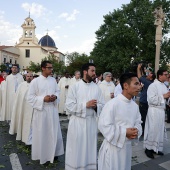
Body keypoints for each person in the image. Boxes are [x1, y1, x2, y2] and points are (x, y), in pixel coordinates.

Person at [98, 73, 142, 170]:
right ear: (125, 85)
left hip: (127, 148)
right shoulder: (112, 104)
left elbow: (138, 122)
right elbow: (103, 126)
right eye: (136, 84)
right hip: (113, 149)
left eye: (139, 84)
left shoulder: (134, 106)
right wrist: (125, 132)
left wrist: (136, 131)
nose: (139, 87)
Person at [65, 63, 105, 170]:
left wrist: (96, 107)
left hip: (91, 123)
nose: (94, 73)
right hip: (77, 124)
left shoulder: (97, 88)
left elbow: (103, 105)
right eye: (92, 71)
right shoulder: (75, 87)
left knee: (89, 149)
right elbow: (69, 106)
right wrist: (85, 105)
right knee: (76, 149)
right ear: (85, 72)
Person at [27, 61, 64, 164]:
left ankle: (54, 154)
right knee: (43, 133)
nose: (51, 70)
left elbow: (58, 91)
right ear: (43, 68)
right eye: (49, 68)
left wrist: (55, 97)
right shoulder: (36, 81)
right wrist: (43, 99)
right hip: (41, 111)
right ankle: (43, 156)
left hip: (52, 110)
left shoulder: (53, 80)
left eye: (52, 68)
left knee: (53, 132)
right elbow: (30, 97)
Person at [144, 69, 170, 159]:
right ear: (160, 76)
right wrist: (164, 96)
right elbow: (151, 100)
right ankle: (148, 149)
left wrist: (167, 100)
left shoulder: (164, 85)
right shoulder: (153, 86)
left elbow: (165, 97)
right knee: (153, 130)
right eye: (165, 74)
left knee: (159, 130)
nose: (167, 76)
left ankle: (156, 148)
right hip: (154, 111)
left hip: (161, 111)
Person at [9, 73, 34, 145]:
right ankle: (22, 135)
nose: (29, 78)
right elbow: (18, 97)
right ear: (25, 77)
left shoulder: (35, 85)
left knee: (30, 123)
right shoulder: (21, 85)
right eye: (28, 76)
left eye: (30, 76)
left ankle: (29, 139)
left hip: (31, 107)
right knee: (22, 120)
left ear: (32, 77)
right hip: (22, 107)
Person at [137, 64, 155, 135]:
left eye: (149, 75)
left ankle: (143, 132)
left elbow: (139, 76)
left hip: (144, 103)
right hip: (148, 103)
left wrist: (138, 68)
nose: (147, 75)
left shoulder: (148, 82)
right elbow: (143, 76)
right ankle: (147, 131)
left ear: (151, 78)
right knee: (147, 118)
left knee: (143, 118)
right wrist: (142, 69)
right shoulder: (152, 82)